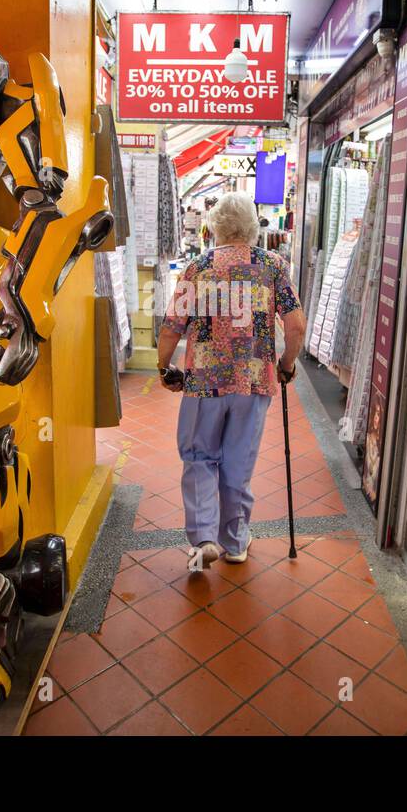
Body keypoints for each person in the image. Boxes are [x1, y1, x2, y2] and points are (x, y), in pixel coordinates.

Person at [157, 192, 307, 567]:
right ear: (253, 227)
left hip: (203, 382)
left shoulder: (197, 267)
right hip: (253, 380)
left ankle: (204, 537)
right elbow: (296, 326)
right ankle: (236, 542)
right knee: (238, 463)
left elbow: (171, 327)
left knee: (198, 456)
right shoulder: (273, 265)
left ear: (215, 228)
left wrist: (164, 368)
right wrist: (286, 364)